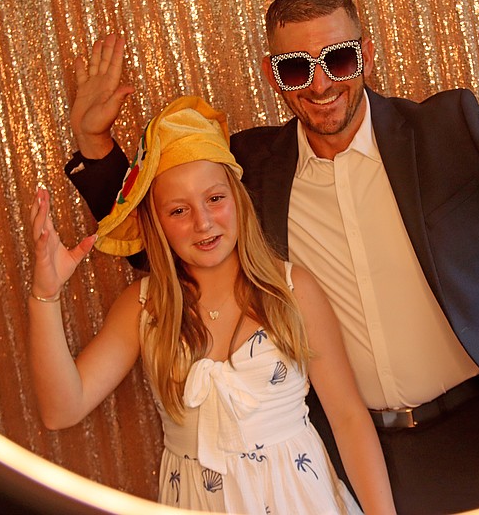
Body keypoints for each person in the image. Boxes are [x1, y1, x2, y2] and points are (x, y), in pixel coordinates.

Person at [65, 0, 479, 512]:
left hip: (476, 433)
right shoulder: (250, 170)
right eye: (296, 68)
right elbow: (167, 241)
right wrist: (95, 144)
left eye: (338, 59)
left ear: (365, 54)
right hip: (334, 451)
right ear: (272, 75)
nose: (320, 85)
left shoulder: (448, 131)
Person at [29, 97, 396, 513]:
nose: (202, 223)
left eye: (215, 199)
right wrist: (46, 295)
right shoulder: (144, 307)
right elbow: (62, 410)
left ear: (238, 198)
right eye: (178, 210)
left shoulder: (293, 290)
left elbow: (348, 418)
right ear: (156, 222)